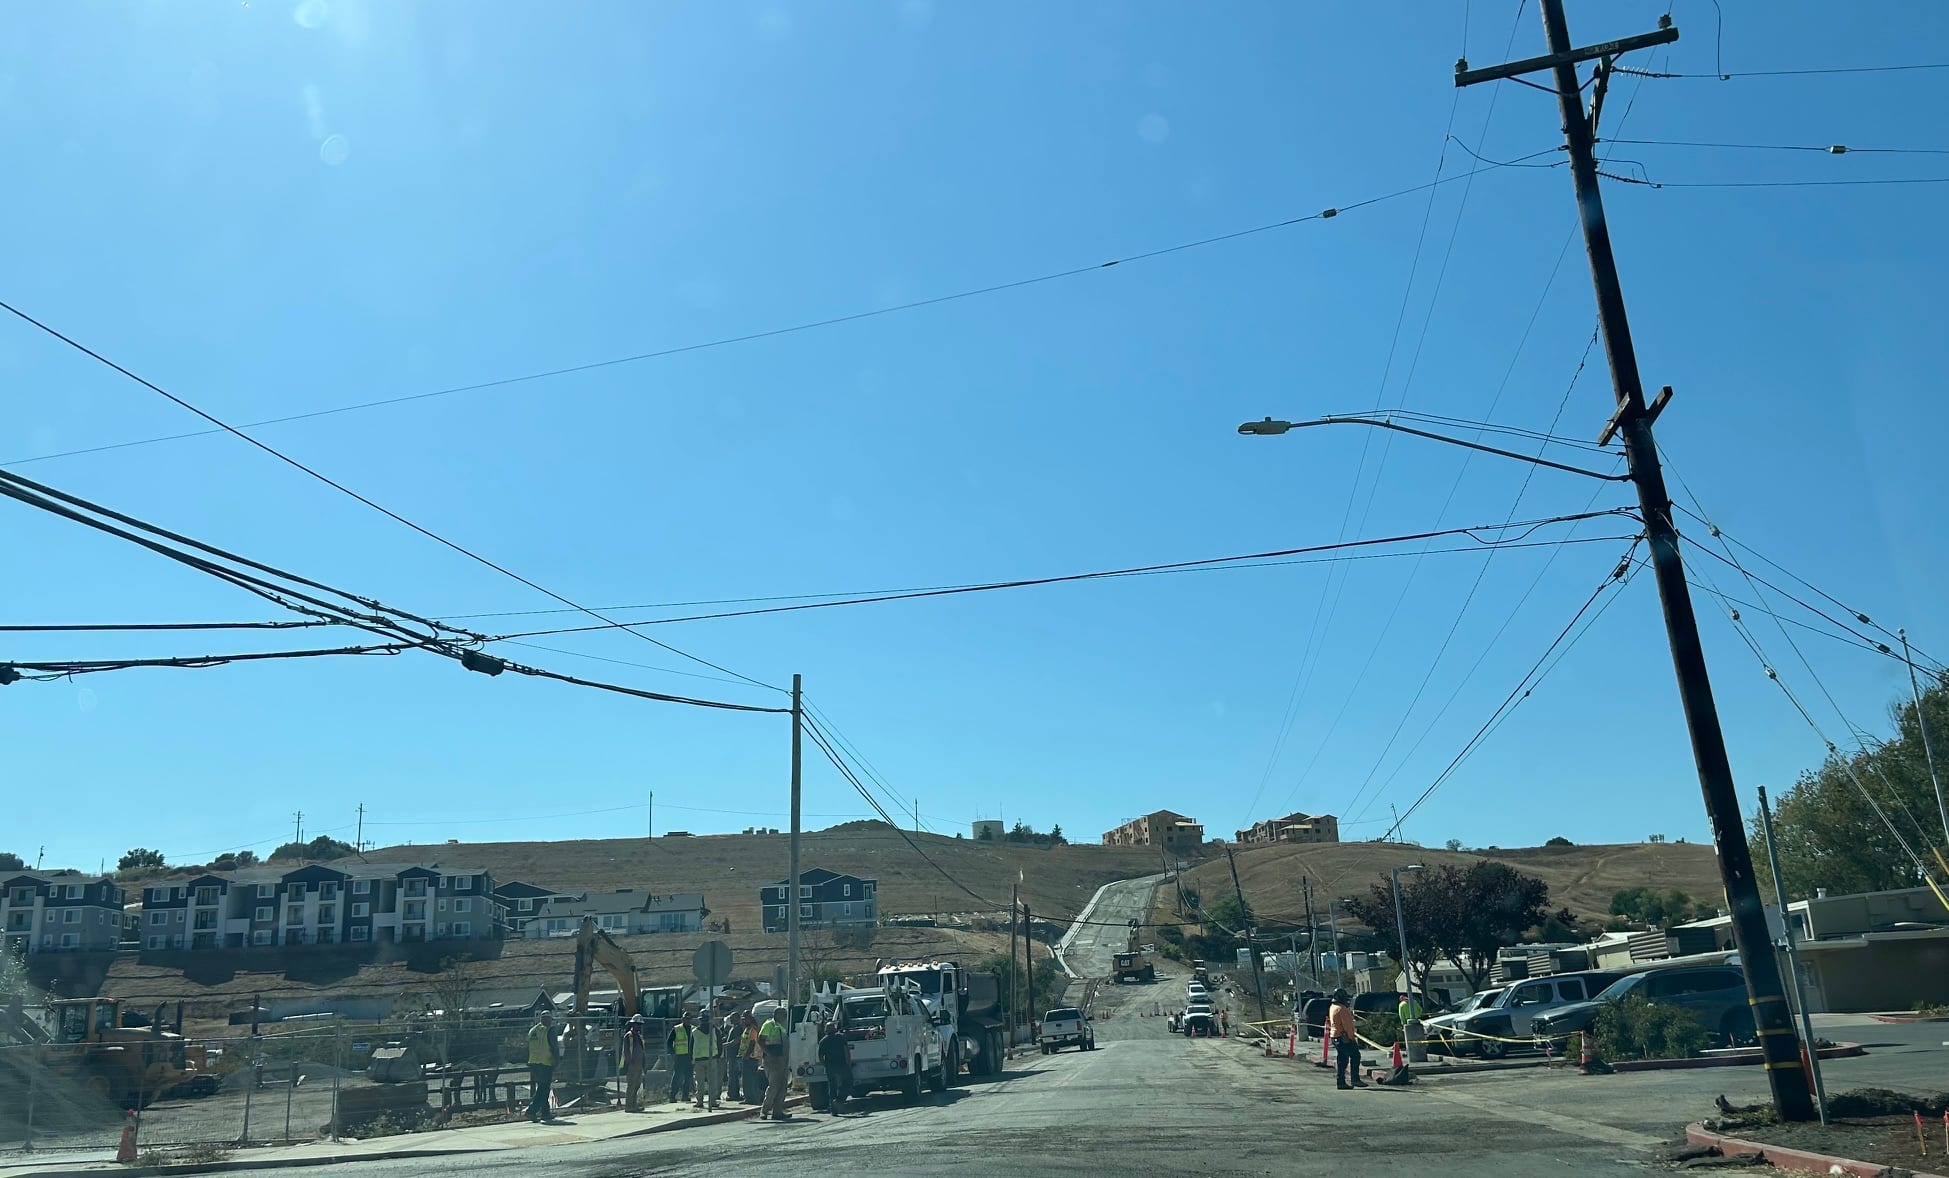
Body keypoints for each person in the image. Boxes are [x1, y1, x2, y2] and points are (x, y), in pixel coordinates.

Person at [1328, 989, 1366, 1090]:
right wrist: (1352, 1038)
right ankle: (1355, 1079)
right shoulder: (1342, 1009)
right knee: (1355, 1056)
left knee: (1342, 1059)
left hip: (1334, 1036)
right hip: (1343, 1037)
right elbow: (1347, 1026)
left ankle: (1341, 1082)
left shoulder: (1332, 1007)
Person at [525, 1010, 558, 1122]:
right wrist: (557, 1061)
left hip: (533, 1062)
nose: (550, 1022)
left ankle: (545, 1112)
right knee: (543, 1089)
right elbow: (554, 1047)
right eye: (549, 1019)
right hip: (545, 1063)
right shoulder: (549, 1030)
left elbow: (527, 1046)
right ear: (547, 1019)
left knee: (542, 1087)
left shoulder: (533, 1030)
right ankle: (531, 1110)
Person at [758, 1009, 789, 1120]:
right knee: (774, 1086)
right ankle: (764, 1111)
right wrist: (769, 1054)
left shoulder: (781, 1027)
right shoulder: (769, 1024)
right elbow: (761, 1040)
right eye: (783, 1014)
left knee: (782, 1087)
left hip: (782, 1061)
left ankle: (778, 1112)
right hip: (772, 1061)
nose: (785, 1016)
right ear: (776, 1014)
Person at [818, 1015, 852, 1116]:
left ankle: (833, 1109)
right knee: (848, 1082)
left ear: (825, 1030)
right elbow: (847, 1051)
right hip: (842, 1065)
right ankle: (839, 1100)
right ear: (835, 1028)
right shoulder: (840, 1037)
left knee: (832, 1086)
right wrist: (848, 1062)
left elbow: (820, 1056)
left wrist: (824, 1065)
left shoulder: (823, 1041)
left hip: (830, 1066)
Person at [691, 1010, 722, 1110]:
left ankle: (699, 1102)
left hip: (698, 1060)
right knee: (712, 1081)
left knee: (699, 1082)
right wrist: (718, 1055)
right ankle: (712, 1101)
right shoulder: (715, 1030)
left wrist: (691, 1059)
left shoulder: (695, 1032)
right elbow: (720, 1044)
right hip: (711, 1058)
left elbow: (691, 1047)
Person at [665, 1012, 695, 1104]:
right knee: (677, 1077)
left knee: (688, 1077)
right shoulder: (677, 1029)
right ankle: (672, 1096)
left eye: (689, 1019)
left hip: (690, 1056)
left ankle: (685, 1096)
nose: (687, 1020)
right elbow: (669, 1042)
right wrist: (672, 1053)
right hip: (680, 1056)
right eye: (686, 1018)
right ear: (682, 1019)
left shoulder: (694, 1029)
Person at [622, 1014, 648, 1112]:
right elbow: (626, 1051)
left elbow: (642, 1051)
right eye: (637, 1024)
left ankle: (634, 1105)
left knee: (636, 1086)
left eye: (640, 1024)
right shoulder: (629, 1036)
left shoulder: (639, 1037)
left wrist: (644, 1065)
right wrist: (630, 1063)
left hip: (639, 1065)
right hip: (632, 1065)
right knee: (631, 1086)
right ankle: (629, 1106)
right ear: (633, 1024)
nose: (639, 1026)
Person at [739, 1013, 765, 1105]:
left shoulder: (753, 1030)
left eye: (746, 1019)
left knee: (751, 1080)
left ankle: (754, 1098)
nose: (744, 1021)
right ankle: (748, 1098)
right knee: (746, 1080)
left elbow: (752, 1043)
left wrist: (747, 1054)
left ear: (750, 1019)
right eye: (743, 1019)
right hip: (746, 1057)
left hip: (751, 1057)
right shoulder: (747, 1029)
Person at [721, 1012, 743, 1102]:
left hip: (735, 1055)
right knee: (731, 1075)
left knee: (733, 1075)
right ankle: (732, 1093)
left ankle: (733, 1094)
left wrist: (726, 1045)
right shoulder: (733, 1028)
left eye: (733, 1018)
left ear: (738, 1018)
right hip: (730, 1055)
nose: (731, 1019)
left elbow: (737, 1040)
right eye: (730, 1018)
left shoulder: (739, 1028)